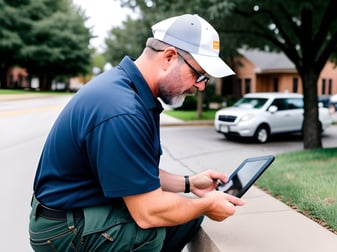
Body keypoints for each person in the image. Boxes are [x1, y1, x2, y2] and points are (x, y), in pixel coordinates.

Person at [29, 14, 245, 252]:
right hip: (61, 227)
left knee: (187, 218)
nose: (201, 86)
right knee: (148, 233)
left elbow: (136, 172)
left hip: (79, 210)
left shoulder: (133, 92)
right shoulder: (122, 109)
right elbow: (147, 213)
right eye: (199, 74)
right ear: (169, 57)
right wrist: (206, 205)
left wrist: (189, 183)